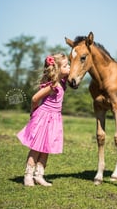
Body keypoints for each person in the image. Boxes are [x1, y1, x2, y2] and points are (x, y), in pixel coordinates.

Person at [17, 53, 70, 186]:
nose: (69, 67)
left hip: (54, 119)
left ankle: (39, 175)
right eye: (65, 65)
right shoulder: (53, 85)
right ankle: (28, 176)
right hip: (44, 117)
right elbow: (35, 98)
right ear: (57, 68)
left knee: (46, 148)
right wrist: (33, 111)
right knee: (36, 148)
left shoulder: (62, 82)